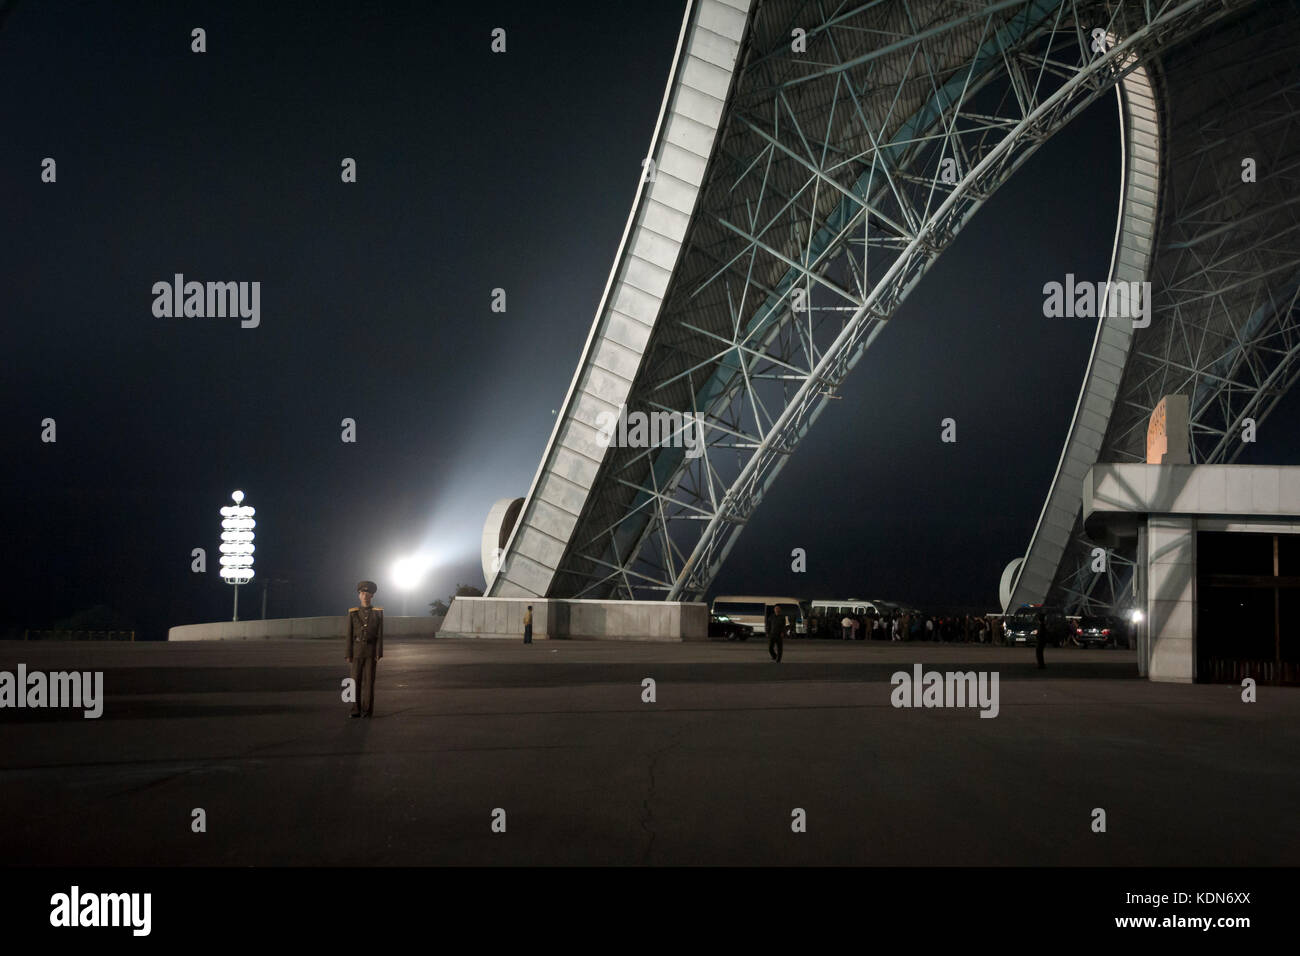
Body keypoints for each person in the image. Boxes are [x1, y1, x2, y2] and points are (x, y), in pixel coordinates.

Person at [346, 580, 384, 718]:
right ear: (358, 595)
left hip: (371, 650)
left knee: (369, 683)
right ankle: (354, 709)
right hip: (356, 651)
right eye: (362, 593)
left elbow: (380, 634)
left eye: (367, 593)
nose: (364, 595)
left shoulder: (378, 613)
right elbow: (349, 634)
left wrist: (379, 652)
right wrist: (348, 653)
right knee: (353, 681)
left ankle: (367, 710)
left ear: (372, 595)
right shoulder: (353, 613)